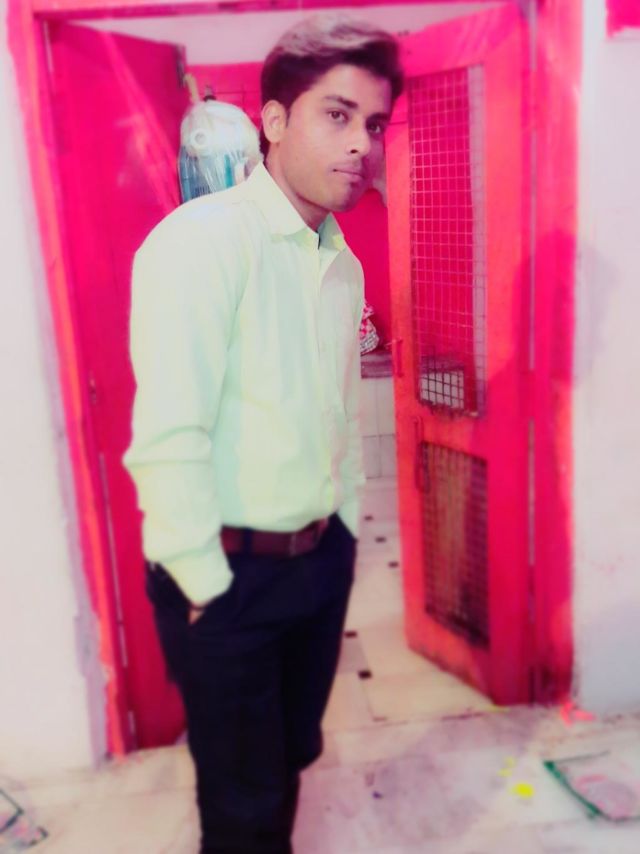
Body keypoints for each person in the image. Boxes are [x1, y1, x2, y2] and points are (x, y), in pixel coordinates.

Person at [124, 14, 403, 854]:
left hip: (317, 565)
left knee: (287, 764)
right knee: (241, 802)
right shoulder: (202, 243)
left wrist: (343, 532)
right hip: (228, 579)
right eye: (337, 114)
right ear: (275, 121)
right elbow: (169, 435)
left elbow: (337, 416)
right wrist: (206, 587)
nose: (360, 144)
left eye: (373, 123)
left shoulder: (341, 261)